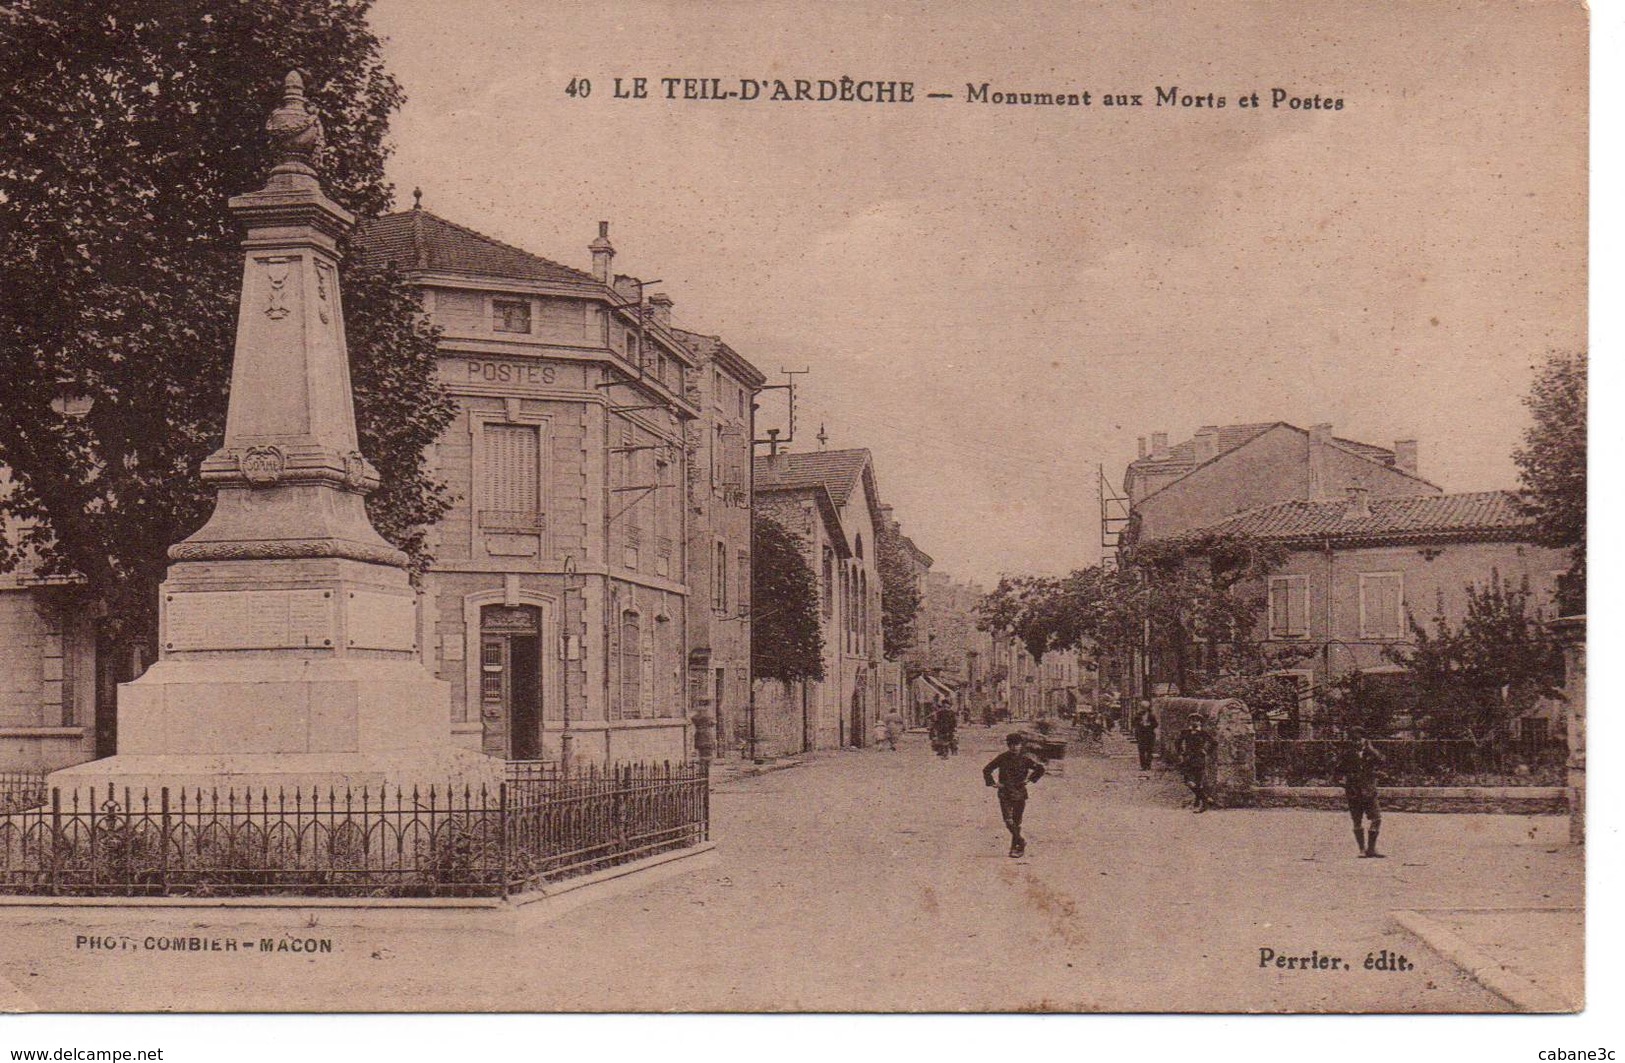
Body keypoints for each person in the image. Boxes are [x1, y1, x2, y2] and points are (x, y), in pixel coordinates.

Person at [983, 732, 1046, 857]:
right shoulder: (1002, 757)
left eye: (1016, 744)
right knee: (1008, 821)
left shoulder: (1025, 759)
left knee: (1016, 822)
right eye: (1011, 745)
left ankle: (1015, 848)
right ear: (1008, 745)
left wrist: (1029, 779)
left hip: (1020, 793)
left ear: (1021, 745)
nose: (1014, 747)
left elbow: (1040, 769)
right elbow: (987, 769)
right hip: (1005, 792)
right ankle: (1021, 841)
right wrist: (993, 783)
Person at [1336, 726, 1387, 858]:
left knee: (1376, 818)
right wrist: (1343, 782)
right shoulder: (1347, 753)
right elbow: (1337, 770)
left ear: (1364, 739)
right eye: (1355, 739)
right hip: (1354, 791)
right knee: (1357, 820)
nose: (1357, 742)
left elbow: (1382, 760)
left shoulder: (1370, 752)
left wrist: (1370, 749)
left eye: (1360, 739)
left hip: (1369, 790)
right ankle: (1362, 849)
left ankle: (1371, 849)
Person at [1176, 713, 1217, 812]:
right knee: (1188, 781)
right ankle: (1206, 798)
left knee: (1198, 782)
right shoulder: (1185, 732)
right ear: (1189, 721)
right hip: (1188, 758)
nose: (1194, 722)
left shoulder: (1203, 733)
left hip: (1199, 759)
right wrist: (1180, 753)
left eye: (1197, 720)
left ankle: (1199, 804)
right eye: (1192, 720)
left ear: (1200, 722)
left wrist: (1206, 751)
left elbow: (1214, 742)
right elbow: (1177, 742)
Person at [1132, 703, 1159, 772]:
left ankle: (1148, 765)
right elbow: (1134, 723)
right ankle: (1143, 766)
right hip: (1141, 735)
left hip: (1149, 735)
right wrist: (1140, 723)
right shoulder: (1138, 715)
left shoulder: (1151, 716)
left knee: (1149, 751)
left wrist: (1149, 724)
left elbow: (1155, 724)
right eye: (1142, 707)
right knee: (1141, 751)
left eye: (1145, 708)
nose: (1143, 709)